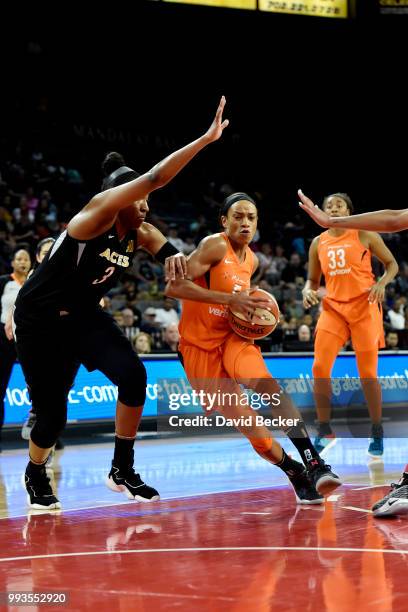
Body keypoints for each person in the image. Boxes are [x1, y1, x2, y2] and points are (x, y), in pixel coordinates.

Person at [14, 96, 229, 510]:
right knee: (52, 418)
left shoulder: (142, 233)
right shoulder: (93, 216)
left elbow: (177, 268)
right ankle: (36, 471)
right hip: (39, 319)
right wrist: (204, 139)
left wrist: (195, 275)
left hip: (81, 317)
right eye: (139, 197)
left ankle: (121, 468)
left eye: (148, 201)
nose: (147, 205)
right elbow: (154, 178)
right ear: (118, 197)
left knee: (133, 376)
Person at [166, 192, 342, 505]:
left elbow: (240, 300)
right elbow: (174, 287)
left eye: (251, 217)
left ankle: (314, 462)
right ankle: (294, 470)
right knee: (256, 433)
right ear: (224, 220)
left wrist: (258, 313)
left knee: (268, 387)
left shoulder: (253, 259)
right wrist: (229, 300)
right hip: (198, 349)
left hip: (233, 339)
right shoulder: (214, 245)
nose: (245, 222)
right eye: (238, 216)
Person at [298, 190, 408, 516]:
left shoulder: (364, 232)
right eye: (330, 205)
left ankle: (376, 429)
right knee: (319, 367)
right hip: (333, 308)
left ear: (348, 210)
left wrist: (382, 283)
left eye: (339, 205)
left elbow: (392, 265)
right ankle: (324, 427)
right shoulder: (318, 242)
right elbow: (311, 279)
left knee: (368, 373)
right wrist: (307, 290)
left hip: (364, 306)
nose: (333, 208)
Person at [0, 249, 31, 450]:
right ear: (12, 262)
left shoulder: (35, 279)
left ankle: (46, 436)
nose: (22, 262)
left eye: (26, 259)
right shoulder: (4, 281)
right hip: (4, 338)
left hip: (30, 338)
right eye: (19, 259)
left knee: (41, 390)